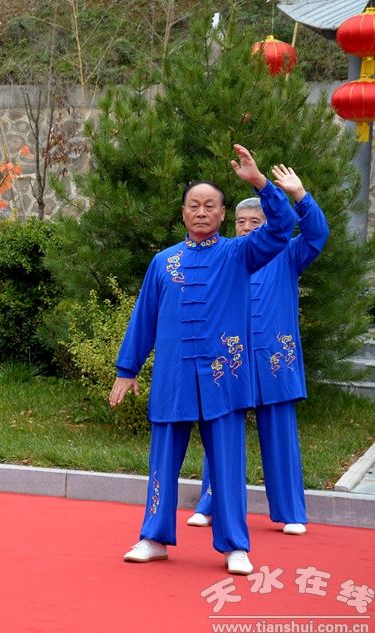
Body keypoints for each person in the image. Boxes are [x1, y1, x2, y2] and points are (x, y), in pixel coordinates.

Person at [109, 145, 296, 575]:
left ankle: (235, 546)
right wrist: (127, 369)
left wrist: (260, 184)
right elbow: (144, 318)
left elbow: (283, 227)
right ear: (183, 212)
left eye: (210, 205)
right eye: (194, 205)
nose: (201, 212)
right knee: (162, 461)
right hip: (174, 377)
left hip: (223, 377)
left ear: (222, 214)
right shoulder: (164, 262)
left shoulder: (240, 253)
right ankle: (153, 537)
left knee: (228, 464)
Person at [186, 164, 328, 536]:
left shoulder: (288, 253)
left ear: (267, 224)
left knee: (280, 435)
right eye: (241, 222)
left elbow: (317, 233)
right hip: (231, 359)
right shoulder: (225, 254)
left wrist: (300, 196)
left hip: (273, 359)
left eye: (255, 222)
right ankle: (210, 503)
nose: (247, 228)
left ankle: (291, 511)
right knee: (221, 432)